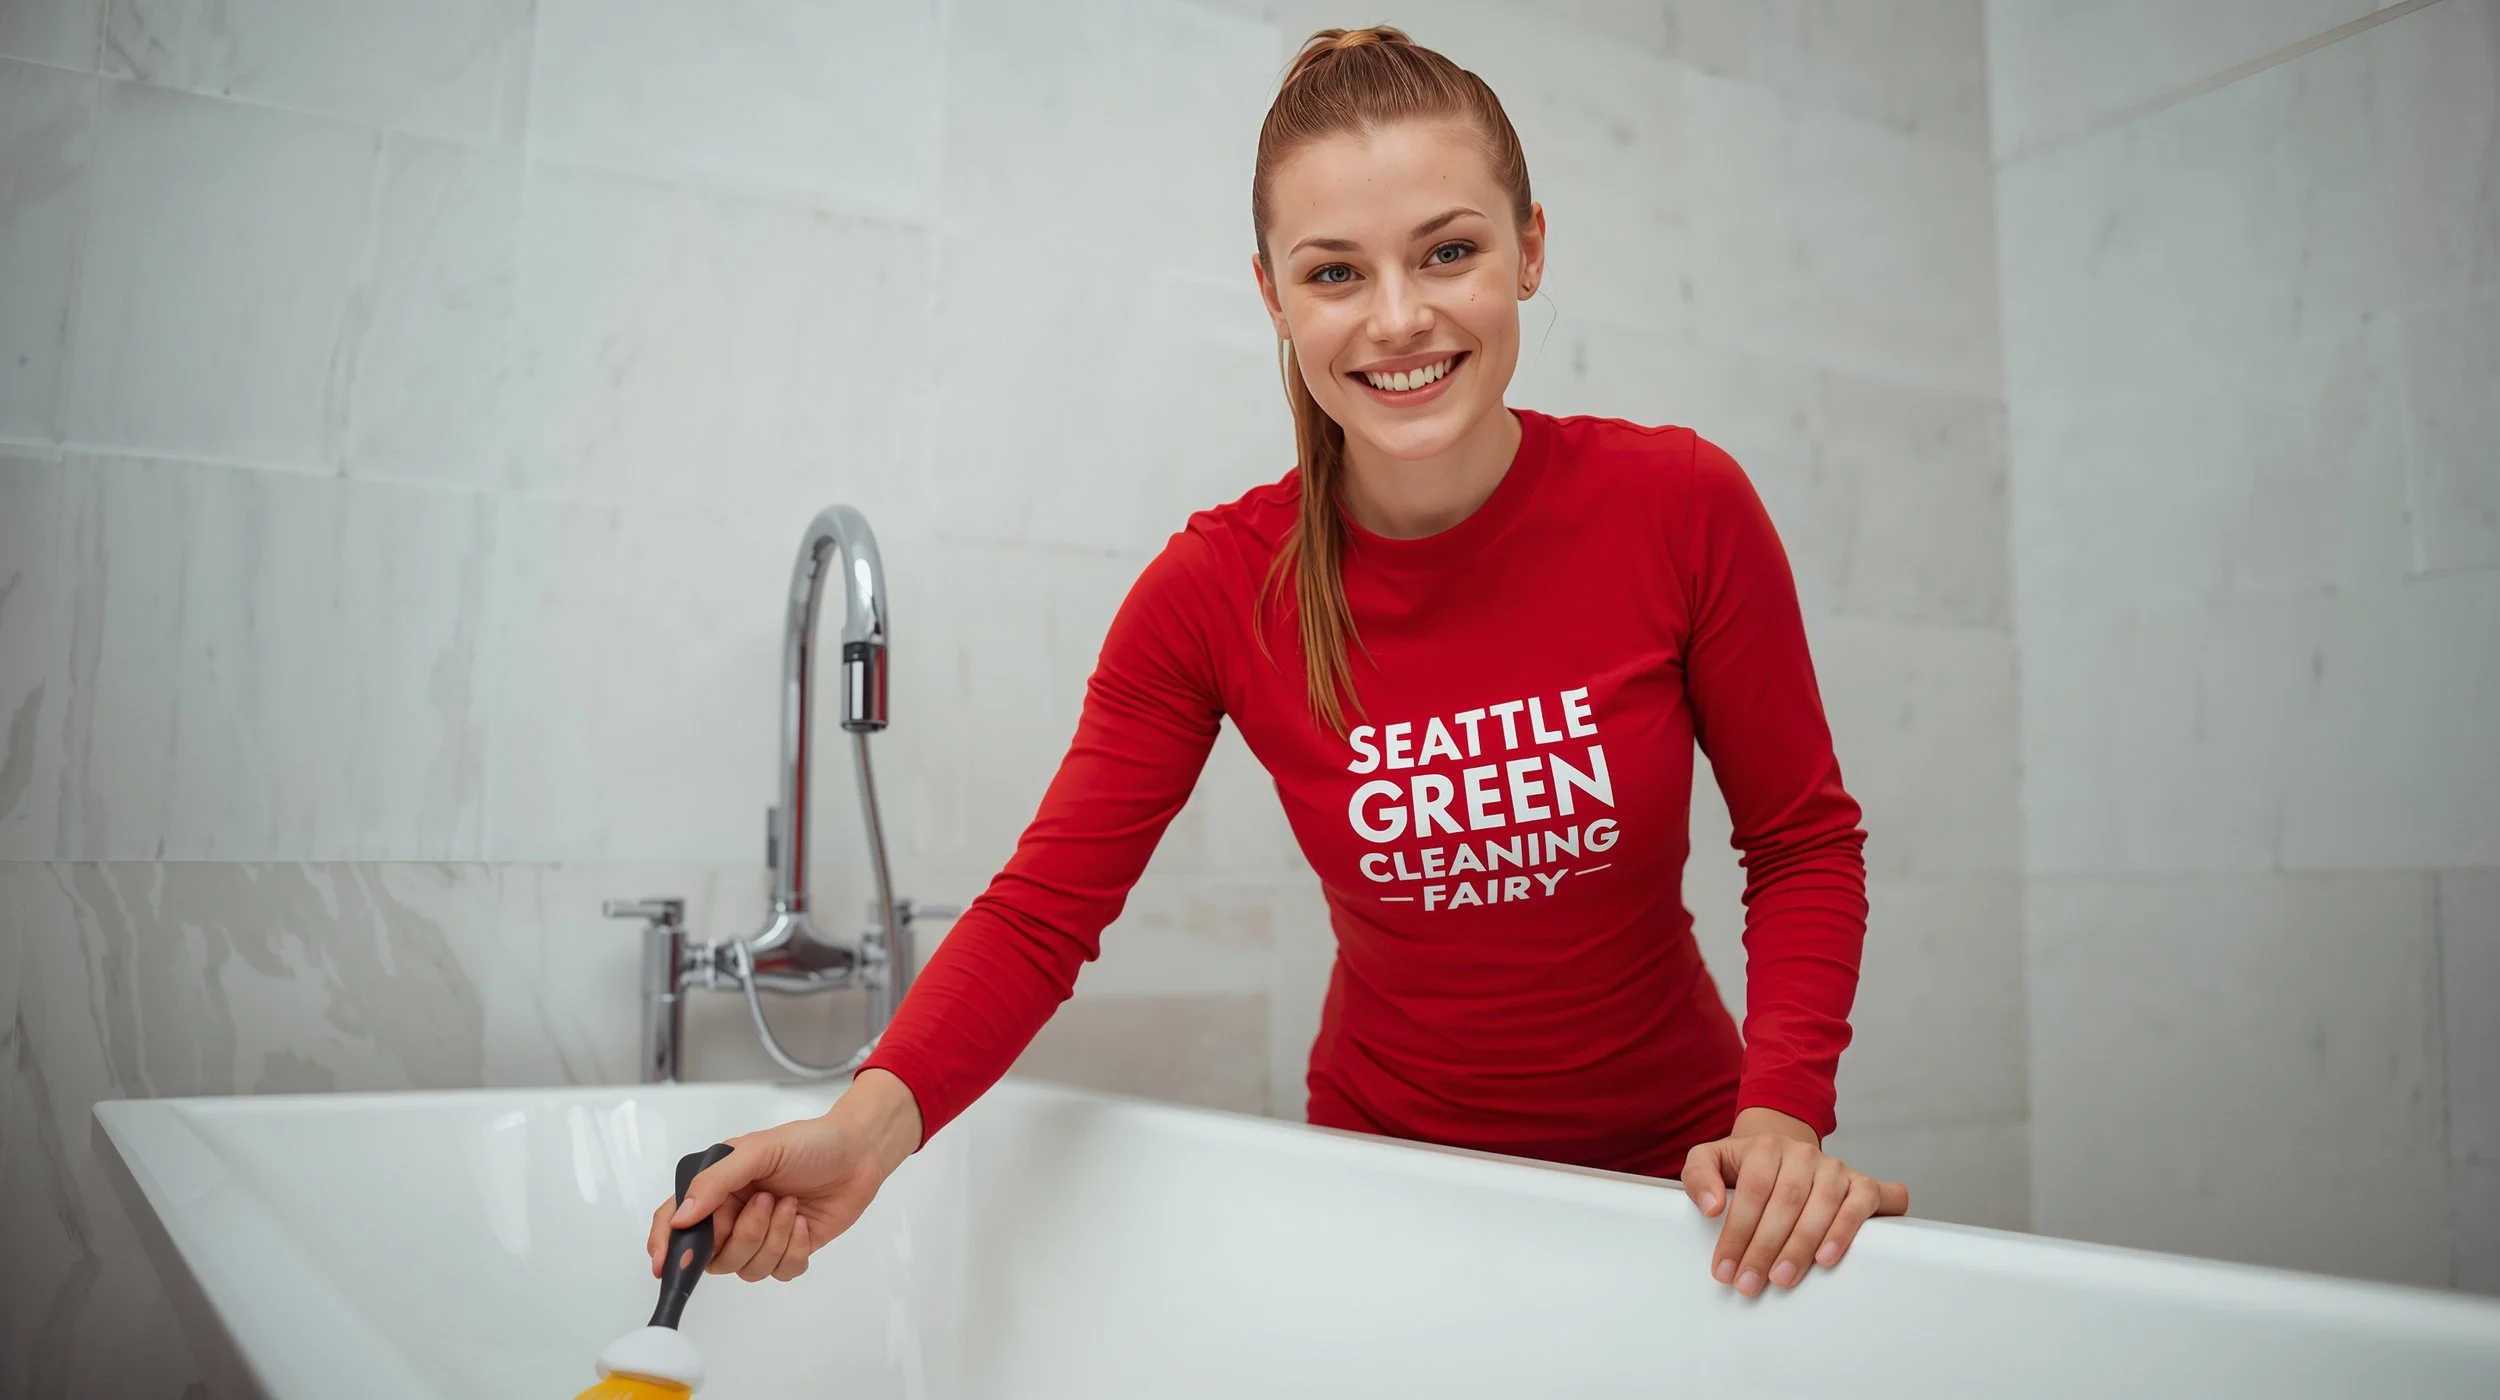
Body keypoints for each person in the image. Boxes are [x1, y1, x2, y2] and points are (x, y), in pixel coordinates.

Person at [648, 24, 1907, 1303]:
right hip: (1382, 1183)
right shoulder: (1211, 591)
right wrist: (865, 1131)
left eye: (1450, 250)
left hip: (1686, 1181)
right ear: (1272, 297)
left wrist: (1783, 1116)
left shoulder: (1680, 505)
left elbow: (1800, 840)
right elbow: (1042, 913)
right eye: (1334, 273)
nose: (1399, 317)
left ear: (1531, 246)